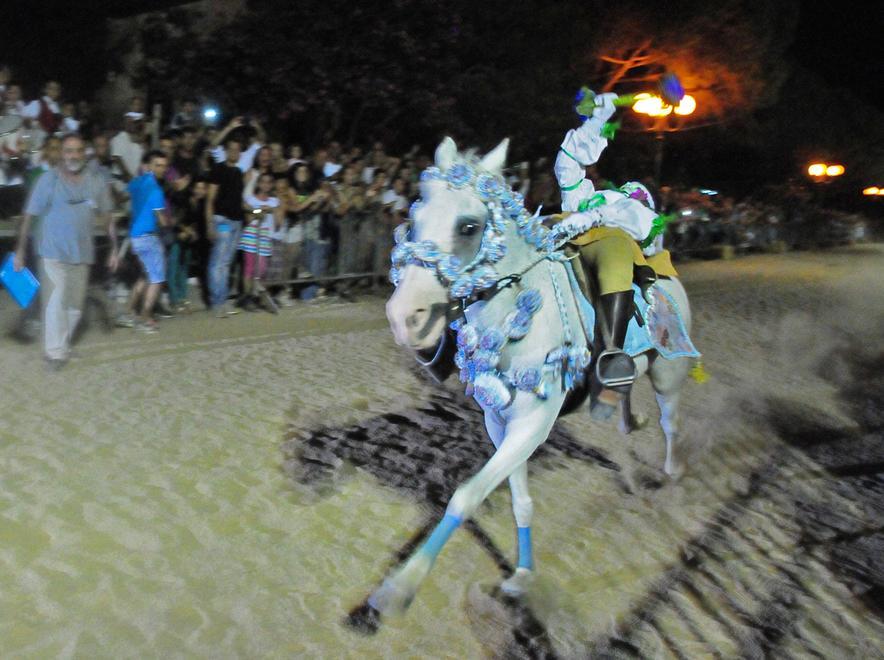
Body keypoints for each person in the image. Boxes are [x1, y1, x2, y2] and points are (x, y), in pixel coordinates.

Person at [552, 88, 678, 420]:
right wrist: (596, 120)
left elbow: (640, 228)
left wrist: (594, 217)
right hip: (566, 232)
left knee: (617, 254)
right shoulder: (590, 194)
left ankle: (609, 358)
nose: (629, 192)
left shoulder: (640, 216)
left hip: (608, 245)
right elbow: (568, 163)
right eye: (627, 190)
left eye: (637, 195)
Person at [14, 133, 116, 369]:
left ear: (85, 153)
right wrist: (19, 250)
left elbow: (107, 215)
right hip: (51, 252)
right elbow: (29, 216)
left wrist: (113, 248)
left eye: (78, 150)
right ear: (62, 153)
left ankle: (62, 345)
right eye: (69, 150)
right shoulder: (48, 181)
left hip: (82, 253)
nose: (73, 155)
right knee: (54, 303)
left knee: (75, 308)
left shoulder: (95, 180)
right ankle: (55, 354)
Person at [123, 150, 170, 333]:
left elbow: (123, 196)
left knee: (144, 276)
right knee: (157, 279)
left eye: (164, 165)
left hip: (134, 236)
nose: (162, 169)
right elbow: (161, 219)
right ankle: (145, 317)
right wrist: (169, 223)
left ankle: (128, 313)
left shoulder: (137, 183)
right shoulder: (156, 190)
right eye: (158, 165)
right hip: (149, 237)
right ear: (149, 165)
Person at [206, 136, 246, 316]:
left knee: (226, 263)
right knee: (218, 263)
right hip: (222, 220)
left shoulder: (238, 172)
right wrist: (209, 224)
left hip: (237, 222)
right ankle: (217, 303)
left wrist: (257, 212)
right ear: (226, 151)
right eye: (231, 149)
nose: (234, 153)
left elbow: (240, 201)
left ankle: (223, 301)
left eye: (237, 150)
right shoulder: (218, 169)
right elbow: (210, 199)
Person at [238, 172, 281, 311]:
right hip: (252, 234)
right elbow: (248, 217)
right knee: (249, 268)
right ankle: (248, 297)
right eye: (263, 182)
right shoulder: (251, 200)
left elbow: (278, 219)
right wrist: (258, 211)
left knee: (261, 269)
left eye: (269, 182)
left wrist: (271, 210)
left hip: (264, 236)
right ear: (258, 184)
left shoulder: (274, 201)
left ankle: (256, 295)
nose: (266, 185)